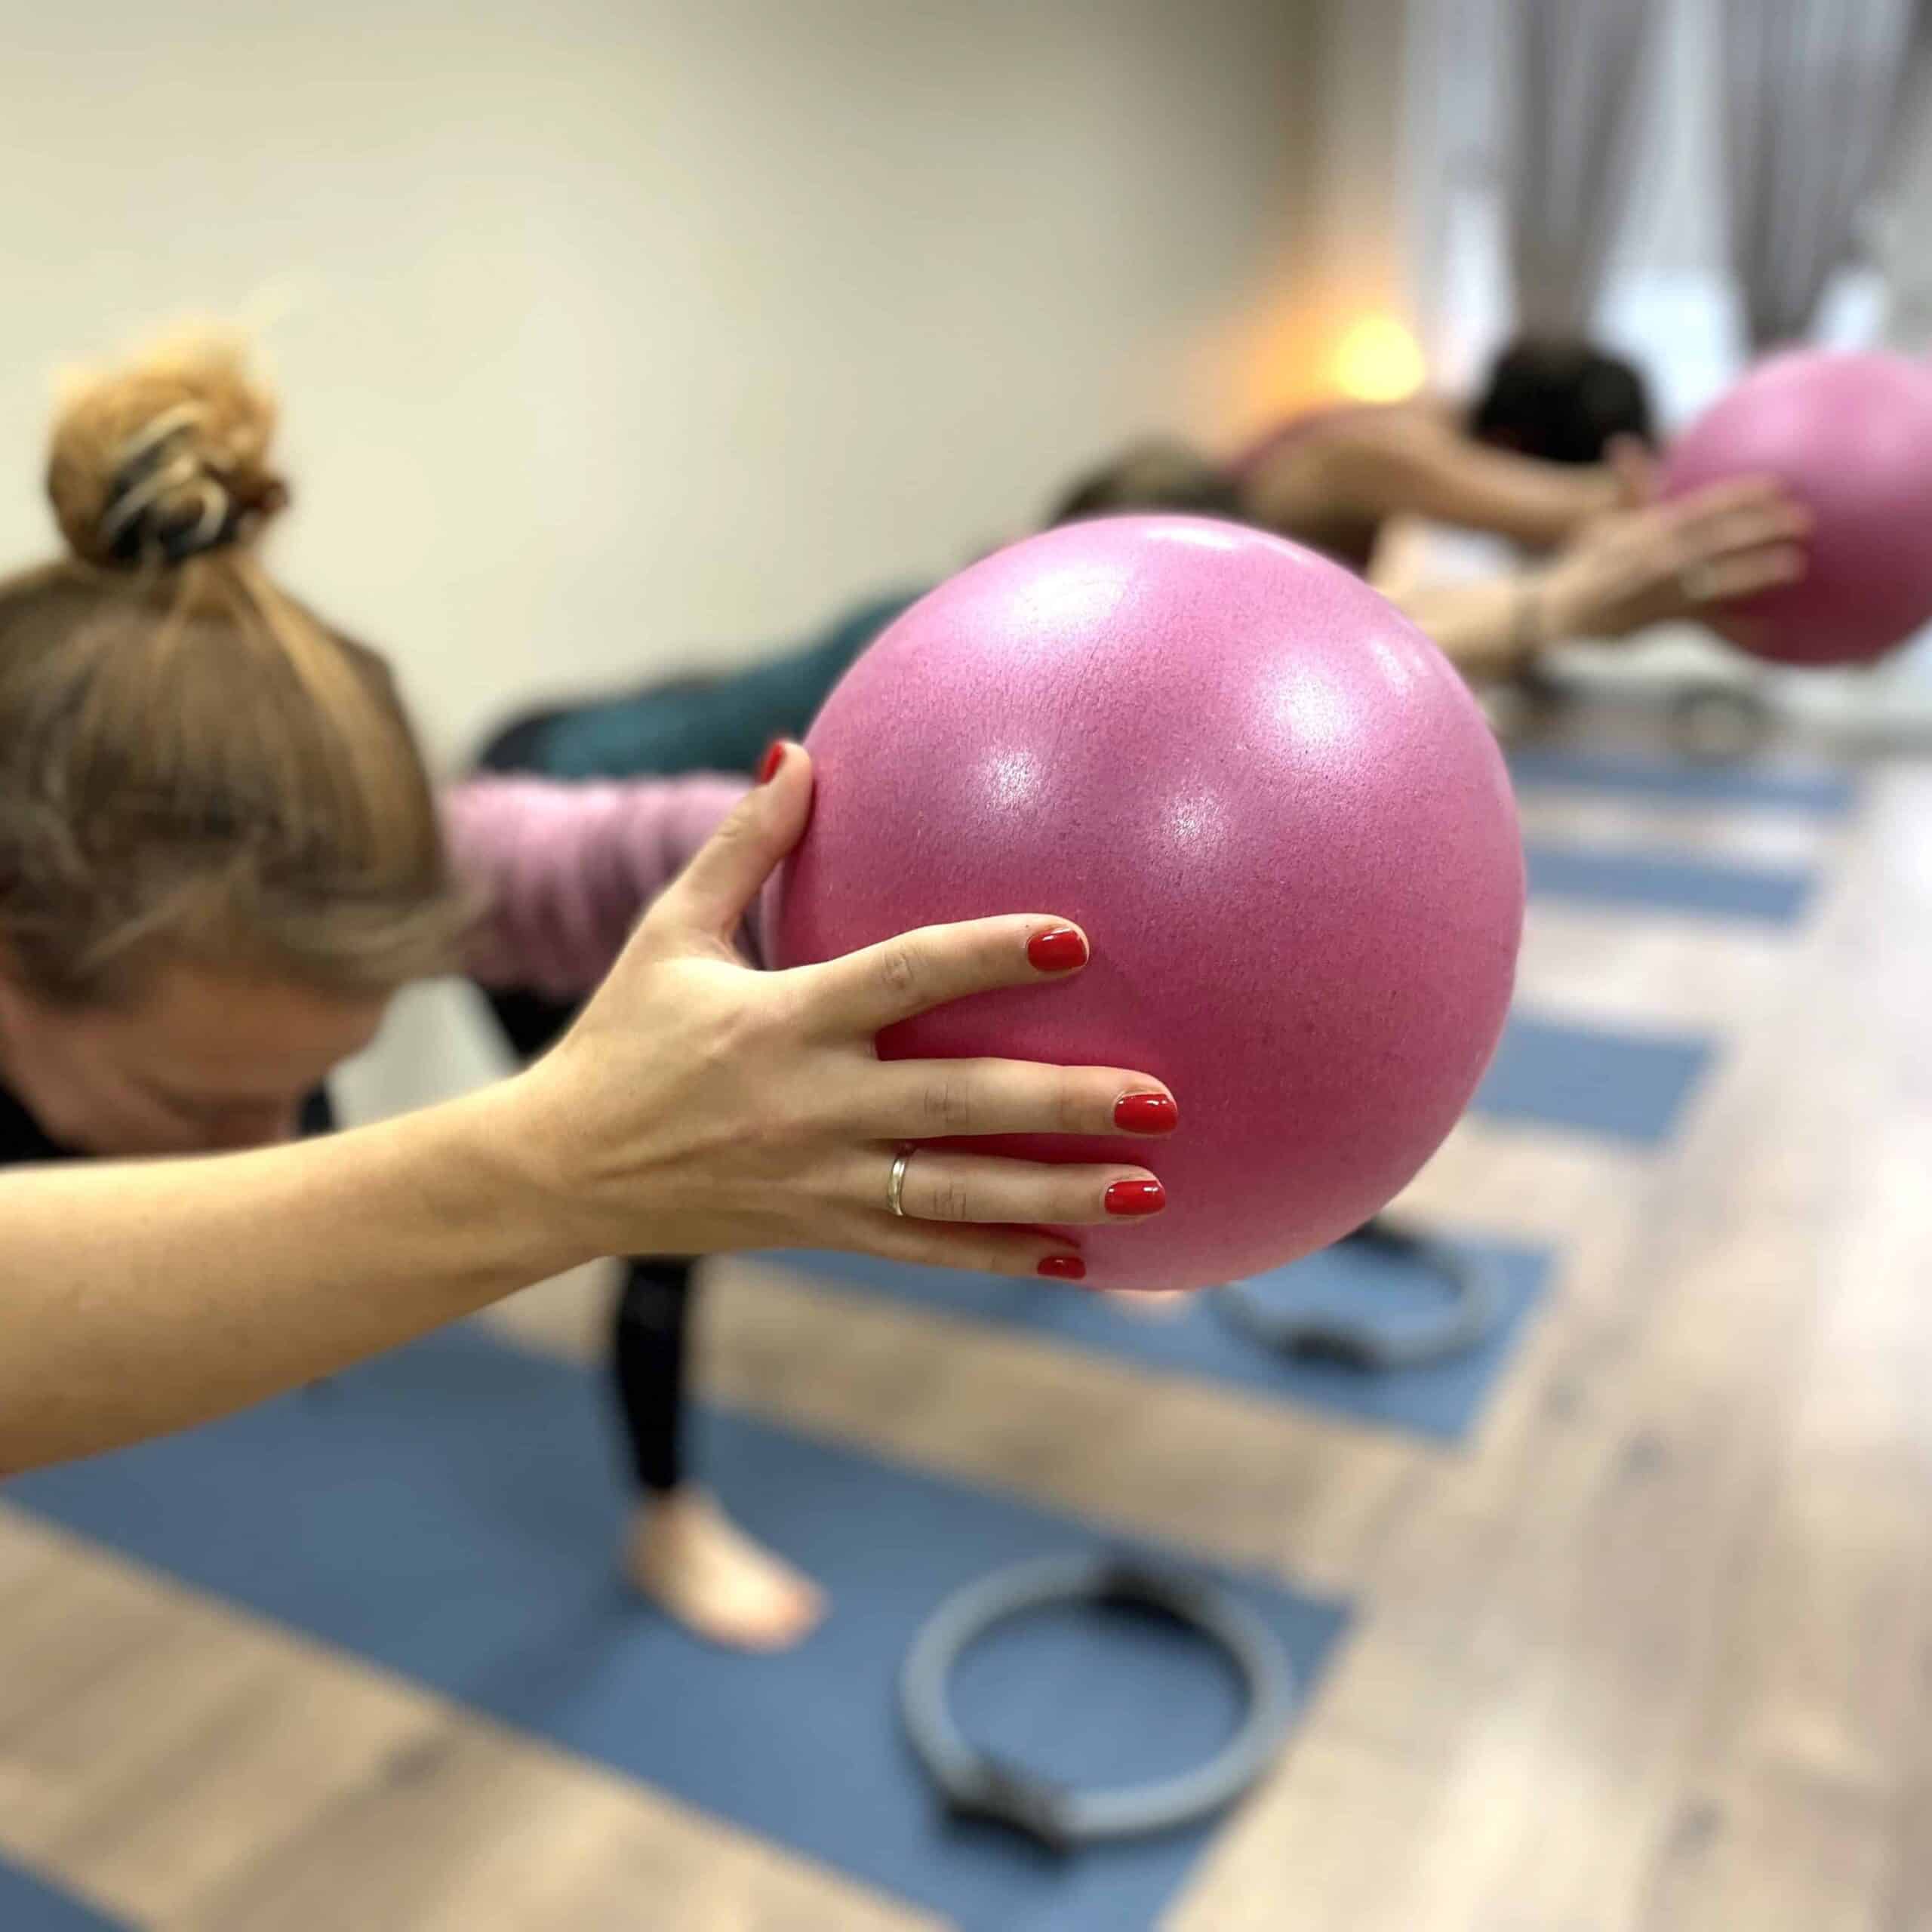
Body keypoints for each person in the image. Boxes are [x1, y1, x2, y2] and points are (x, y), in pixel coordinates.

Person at [0, 337, 1179, 1484]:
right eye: (198, 1106)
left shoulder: (314, 866)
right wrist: (564, 1170)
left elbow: (639, 857)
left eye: (301, 1087)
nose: (269, 1155)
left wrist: (957, 878)